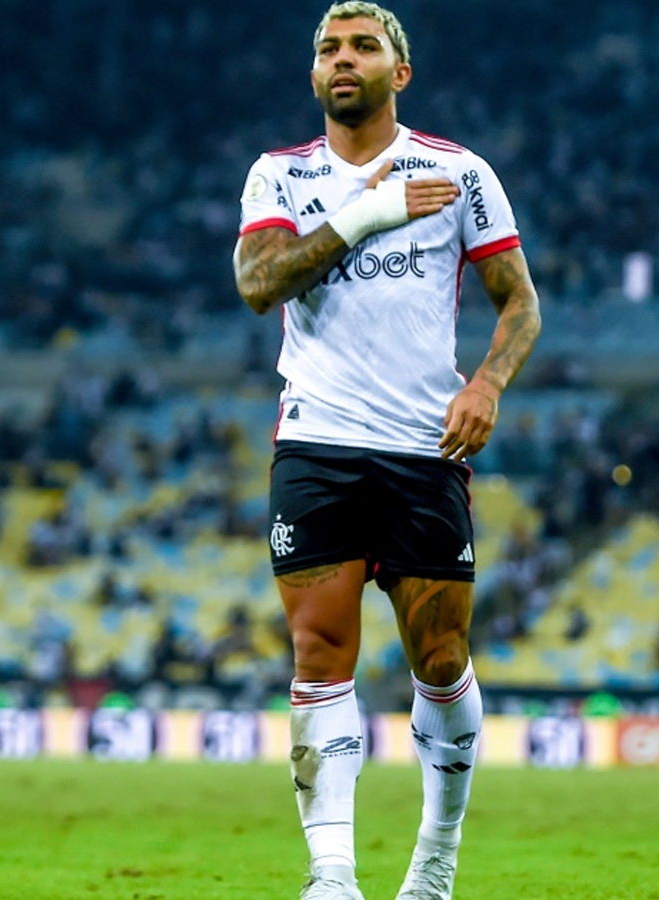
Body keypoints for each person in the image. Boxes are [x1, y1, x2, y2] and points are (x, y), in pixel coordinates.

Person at [232, 4, 542, 898]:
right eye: (329, 47)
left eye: (364, 46)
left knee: (439, 660)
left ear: (398, 73)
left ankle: (435, 862)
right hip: (319, 441)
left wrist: (485, 385)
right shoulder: (279, 176)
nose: (342, 59)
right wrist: (366, 213)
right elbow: (260, 285)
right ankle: (332, 877)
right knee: (317, 651)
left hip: (421, 447)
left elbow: (520, 303)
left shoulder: (458, 171)